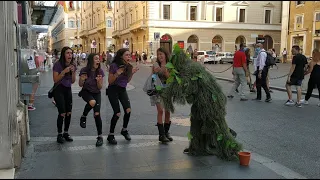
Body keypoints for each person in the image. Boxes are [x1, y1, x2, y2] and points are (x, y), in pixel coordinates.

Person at [106, 48, 139, 145]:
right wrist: (117, 73)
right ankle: (110, 135)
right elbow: (110, 81)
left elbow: (127, 80)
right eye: (126, 55)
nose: (129, 57)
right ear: (121, 56)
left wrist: (132, 73)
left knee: (128, 110)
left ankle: (124, 130)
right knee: (117, 113)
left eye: (129, 55)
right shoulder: (114, 65)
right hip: (113, 89)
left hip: (122, 90)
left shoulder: (128, 66)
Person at [79, 53, 105, 146]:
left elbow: (100, 87)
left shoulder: (100, 72)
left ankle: (100, 136)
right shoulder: (84, 70)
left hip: (96, 93)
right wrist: (82, 79)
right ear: (91, 61)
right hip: (86, 92)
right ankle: (84, 116)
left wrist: (98, 81)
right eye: (96, 59)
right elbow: (80, 85)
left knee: (97, 114)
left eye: (99, 59)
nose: (98, 60)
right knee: (92, 102)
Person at [52, 46, 77, 143]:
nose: (70, 55)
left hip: (67, 89)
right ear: (63, 54)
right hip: (58, 89)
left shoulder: (73, 65)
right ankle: (59, 134)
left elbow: (73, 81)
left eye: (71, 53)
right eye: (68, 53)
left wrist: (73, 72)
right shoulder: (58, 65)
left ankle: (66, 133)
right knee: (62, 112)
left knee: (68, 112)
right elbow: (55, 80)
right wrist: (64, 72)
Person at [151, 48, 172, 143]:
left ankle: (166, 133)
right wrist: (155, 73)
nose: (160, 56)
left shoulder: (169, 65)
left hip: (167, 90)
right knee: (160, 111)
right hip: (157, 90)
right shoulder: (155, 65)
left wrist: (165, 71)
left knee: (167, 111)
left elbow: (171, 79)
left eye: (161, 54)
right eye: (158, 54)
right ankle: (161, 135)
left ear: (165, 55)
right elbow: (152, 78)